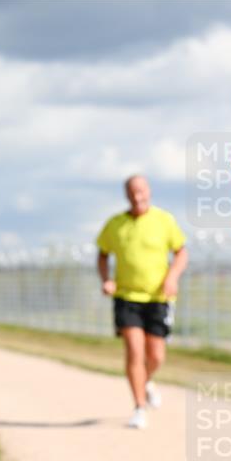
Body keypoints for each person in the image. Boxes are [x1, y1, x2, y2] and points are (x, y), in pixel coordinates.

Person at [96, 175, 188, 429]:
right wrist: (106, 279)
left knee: (156, 355)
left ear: (148, 191)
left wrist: (172, 277)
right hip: (127, 297)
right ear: (126, 194)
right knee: (135, 351)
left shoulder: (164, 220)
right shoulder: (115, 224)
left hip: (159, 298)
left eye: (141, 192)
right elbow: (102, 255)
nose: (137, 197)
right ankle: (139, 406)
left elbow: (181, 252)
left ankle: (146, 380)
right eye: (132, 193)